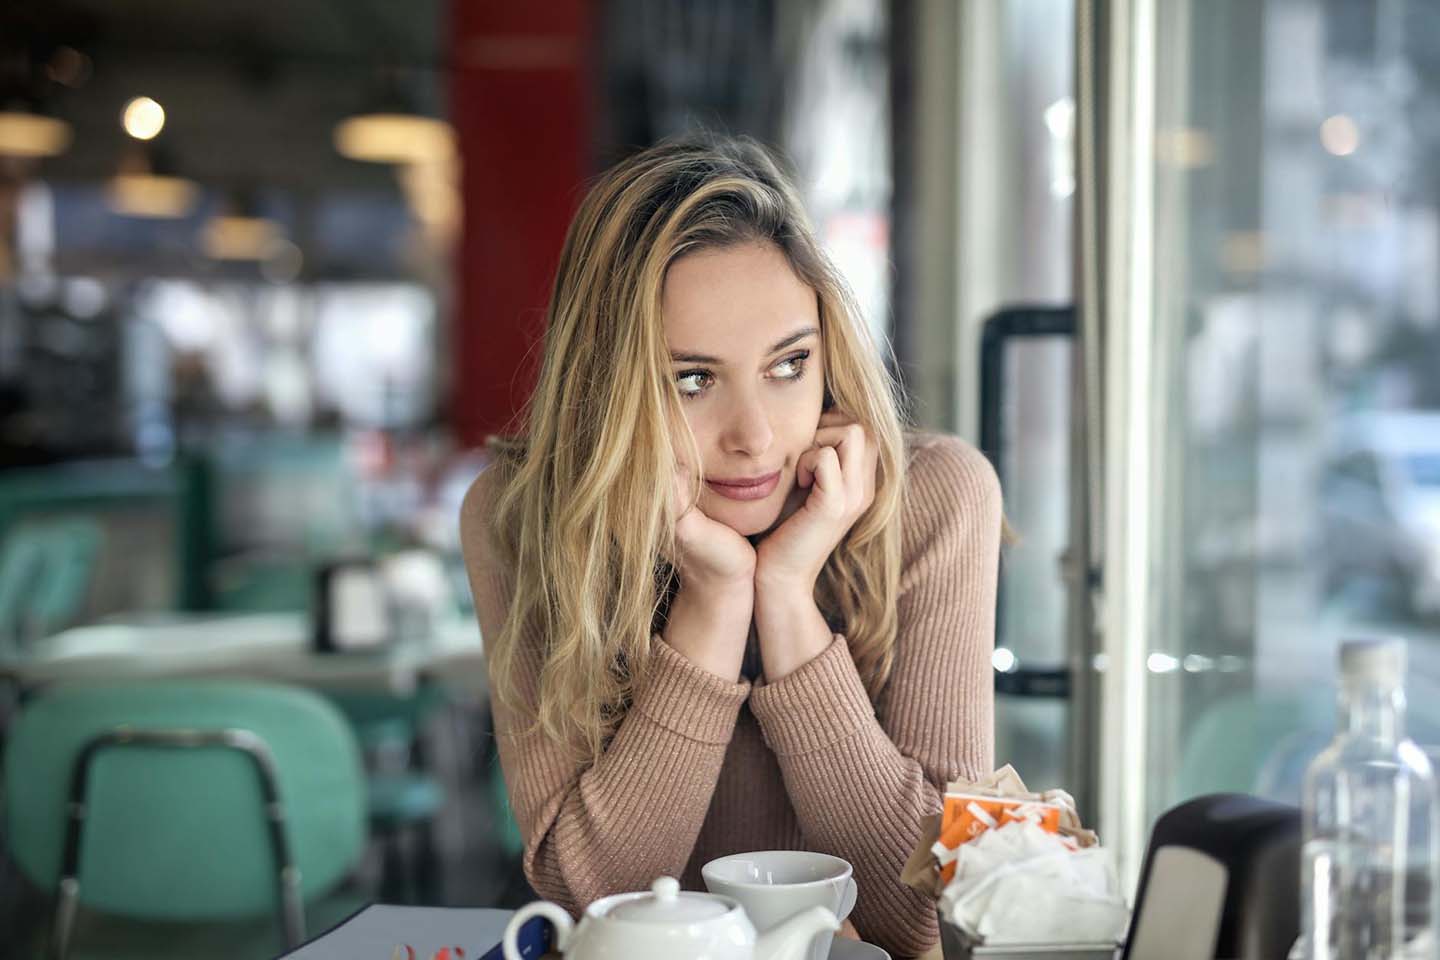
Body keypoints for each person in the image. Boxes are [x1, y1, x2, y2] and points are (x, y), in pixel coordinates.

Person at [460, 133, 1001, 957]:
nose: (754, 438)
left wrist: (786, 600)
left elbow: (925, 918)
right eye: (692, 380)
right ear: (611, 389)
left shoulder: (934, 498)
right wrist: (714, 602)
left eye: (788, 365)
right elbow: (589, 905)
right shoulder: (524, 516)